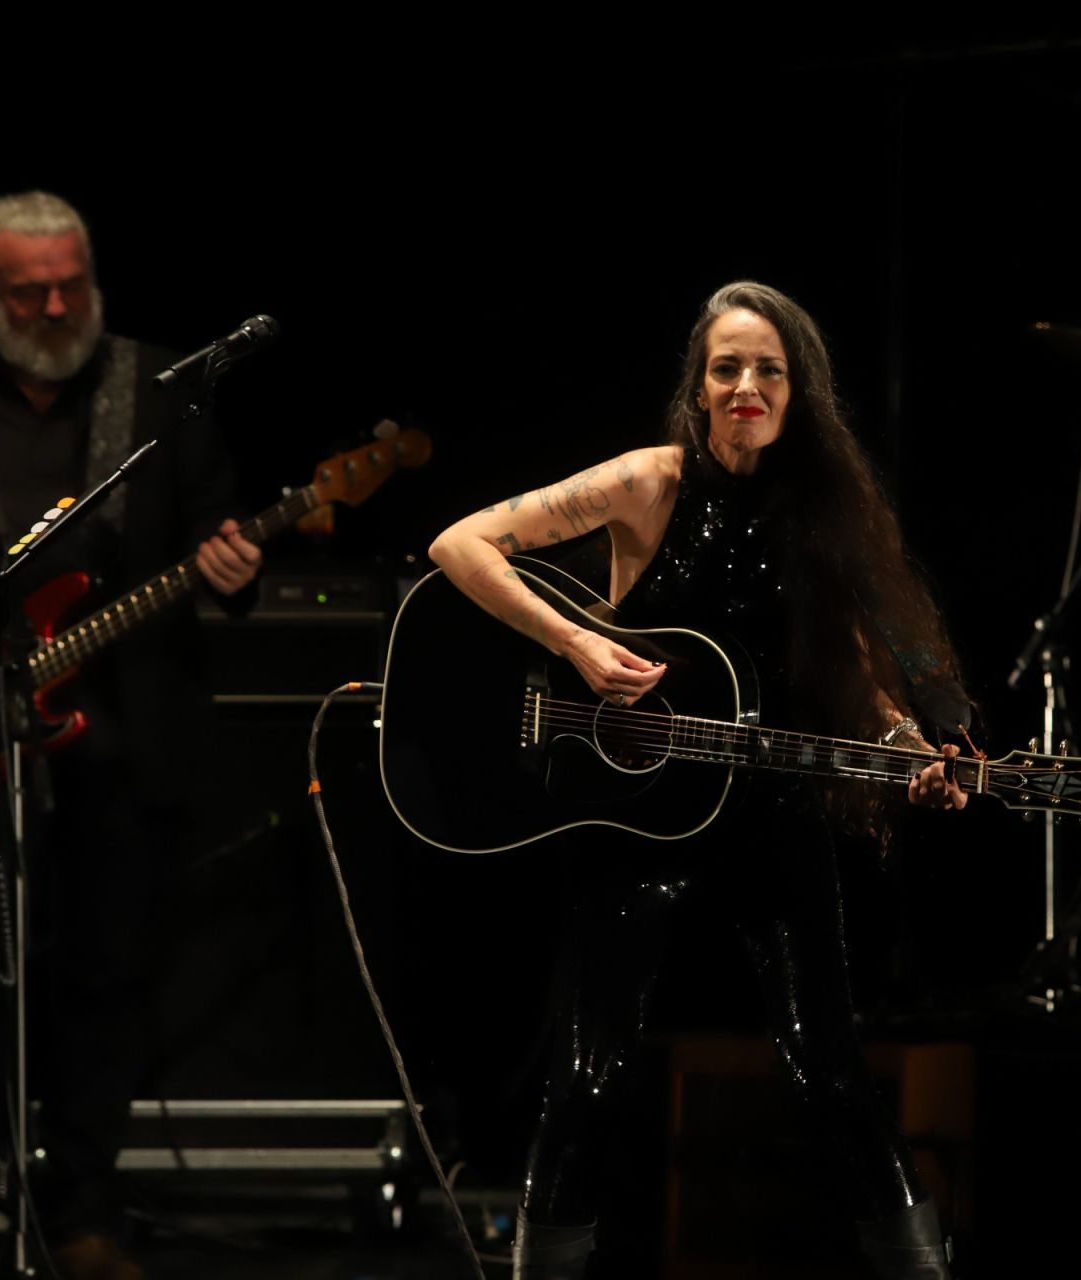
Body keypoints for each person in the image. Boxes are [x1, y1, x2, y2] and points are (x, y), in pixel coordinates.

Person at [428, 281, 969, 1279]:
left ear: (798, 387)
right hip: (636, 815)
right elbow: (460, 543)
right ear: (700, 382)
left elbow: (850, 666)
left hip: (768, 810)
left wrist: (907, 743)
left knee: (828, 1066)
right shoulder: (650, 480)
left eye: (769, 368)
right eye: (728, 367)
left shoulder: (822, 511)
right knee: (591, 1072)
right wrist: (578, 642)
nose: (747, 385)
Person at [0, 191, 262, 1280]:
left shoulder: (163, 390)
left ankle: (84, 1212)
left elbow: (218, 534)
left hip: (122, 741)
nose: (52, 304)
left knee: (105, 981)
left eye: (69, 283)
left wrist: (235, 569)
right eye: (28, 288)